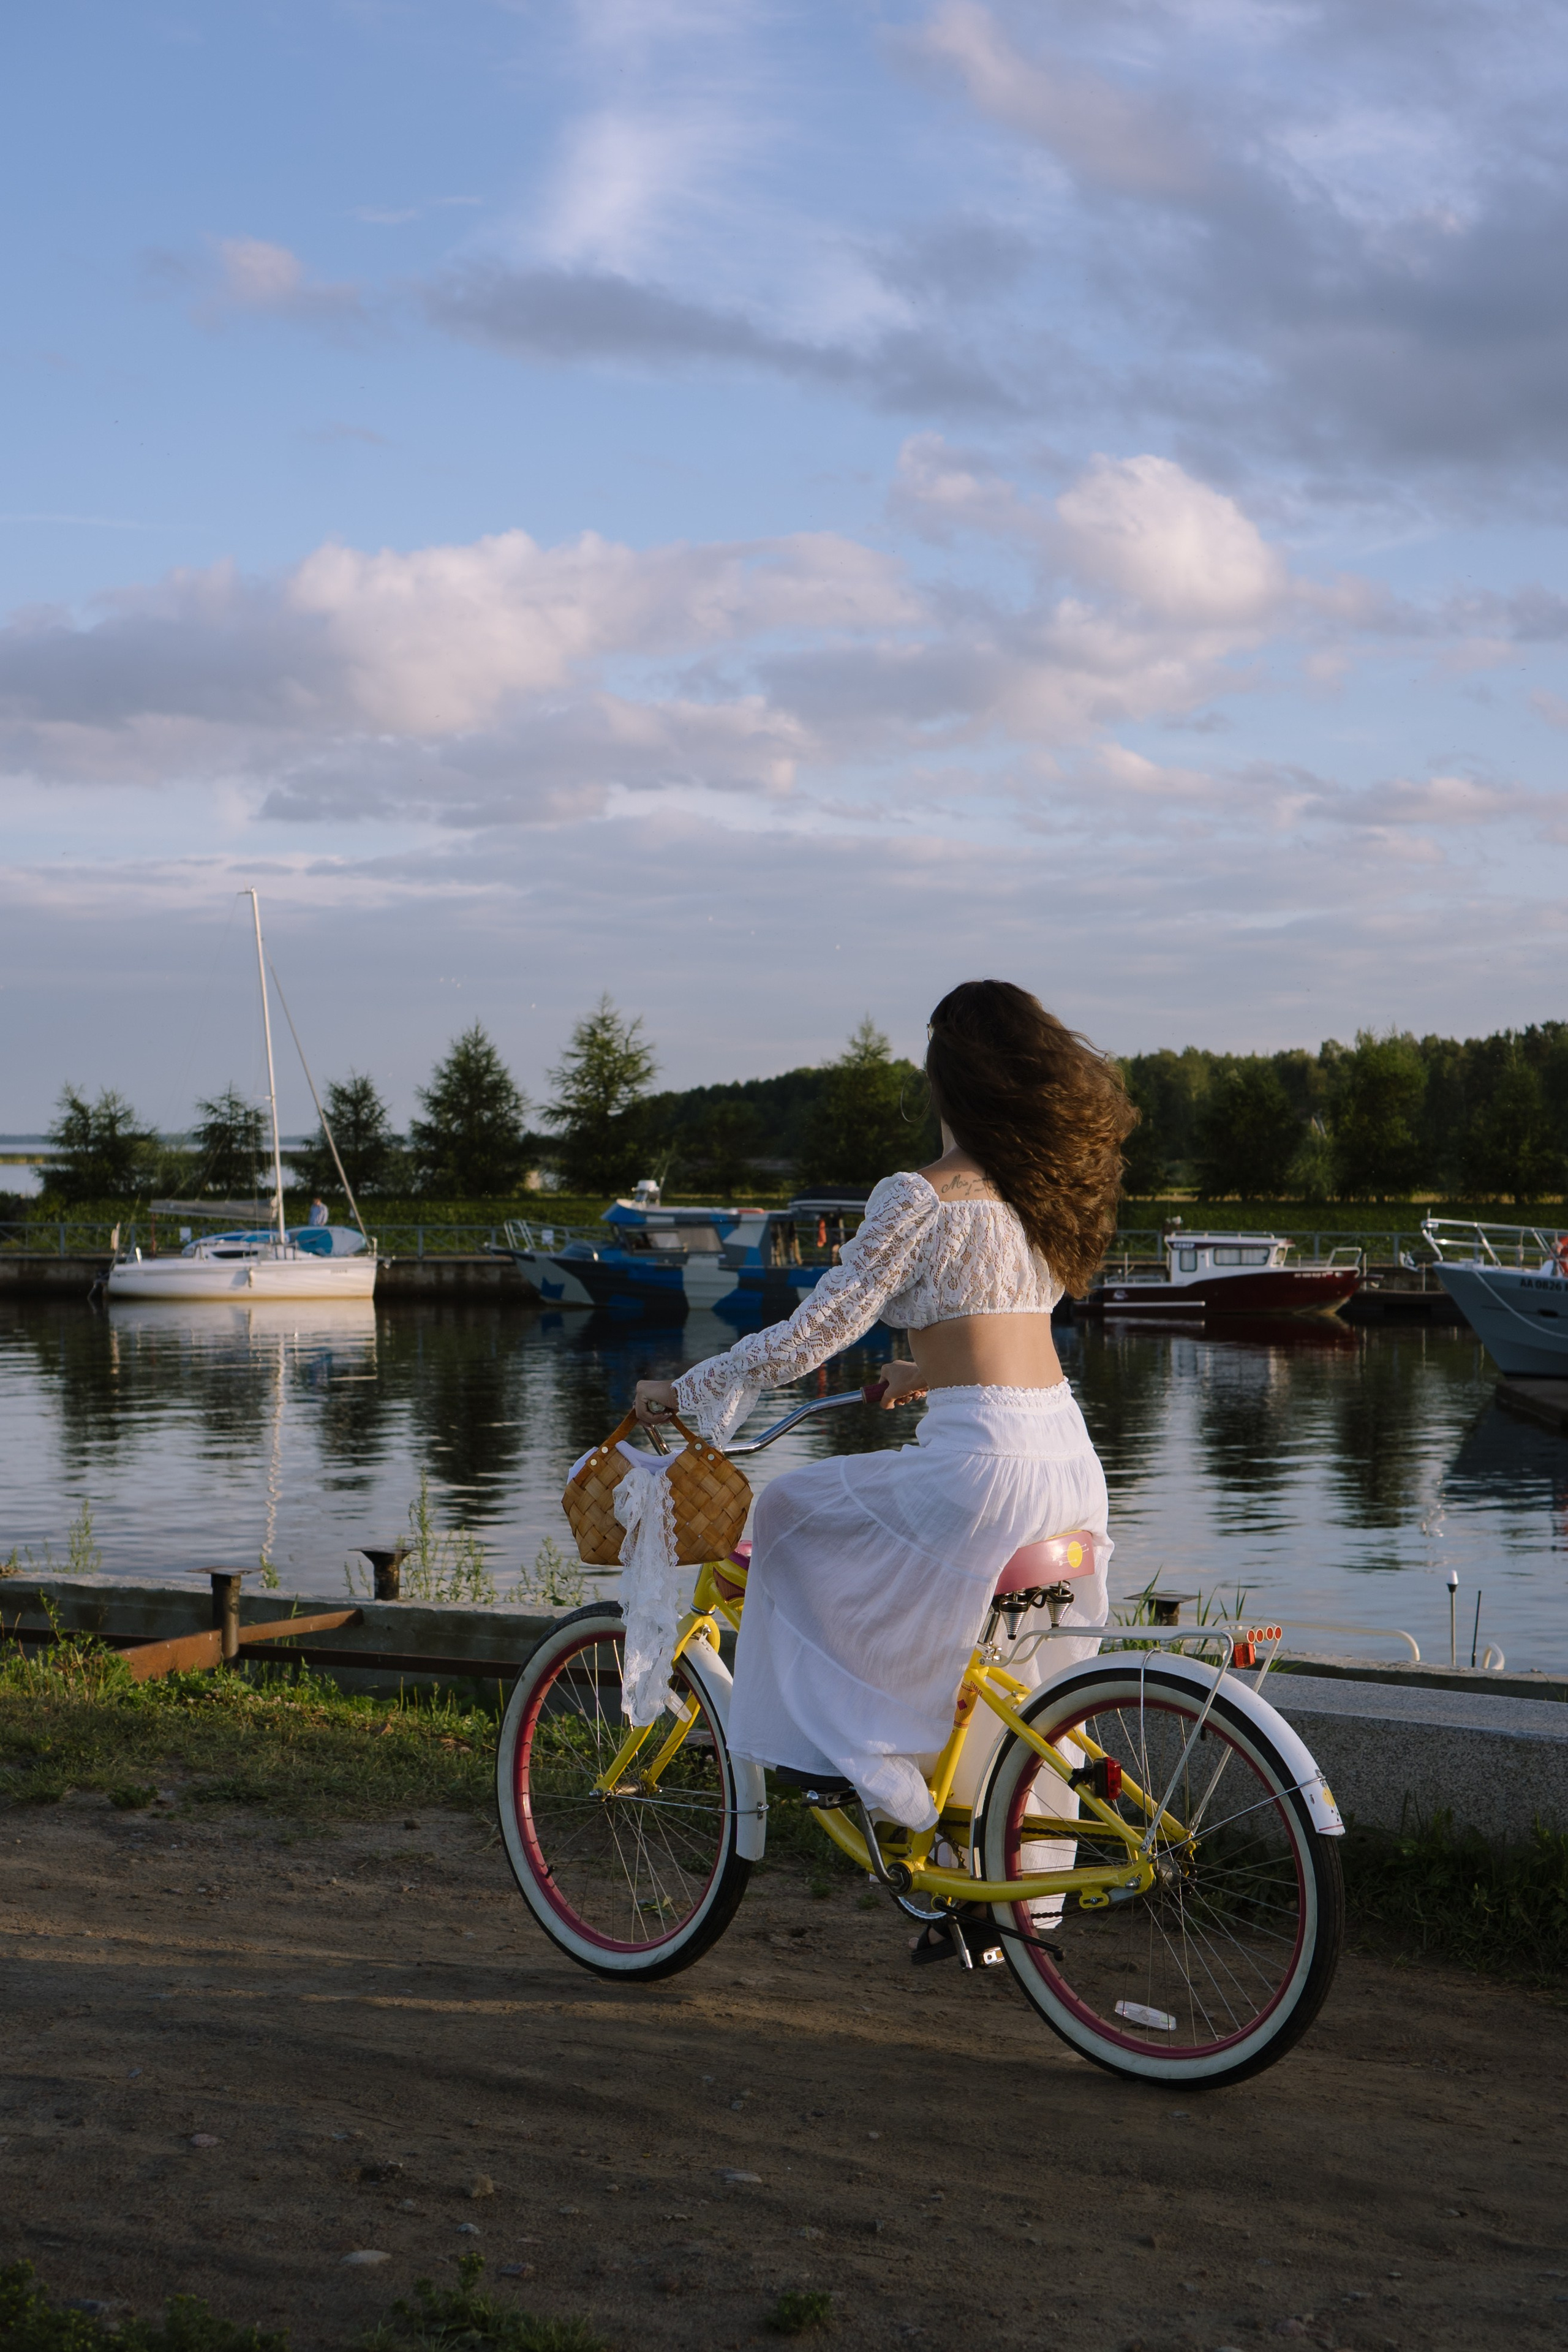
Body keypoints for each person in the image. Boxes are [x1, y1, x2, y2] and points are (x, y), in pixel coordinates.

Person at [635, 979, 1137, 1833]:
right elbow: (998, 1331)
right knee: (1007, 1675)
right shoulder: (1038, 1195)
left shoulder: (921, 1194)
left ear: (942, 1080)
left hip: (982, 1471)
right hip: (1067, 1461)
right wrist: (926, 1372)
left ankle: (870, 1763)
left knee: (787, 1509)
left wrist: (681, 1391)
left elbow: (806, 1341)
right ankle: (980, 1874)